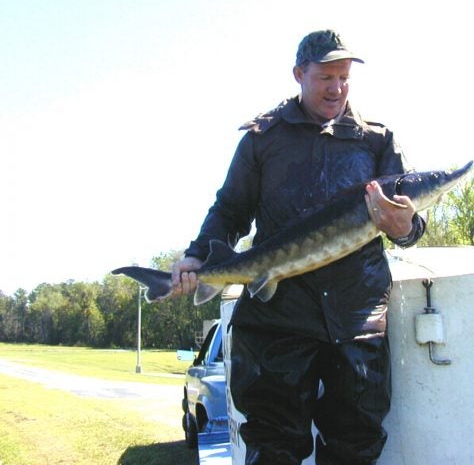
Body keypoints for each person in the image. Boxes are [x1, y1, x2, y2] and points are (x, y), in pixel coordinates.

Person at [171, 29, 426, 465]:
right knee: (274, 448)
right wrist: (197, 254)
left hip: (357, 320)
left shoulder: (376, 140)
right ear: (299, 74)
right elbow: (230, 210)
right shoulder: (262, 138)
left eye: (344, 77)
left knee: (356, 445)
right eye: (326, 76)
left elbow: (410, 223)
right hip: (277, 324)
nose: (337, 87)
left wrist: (406, 226)